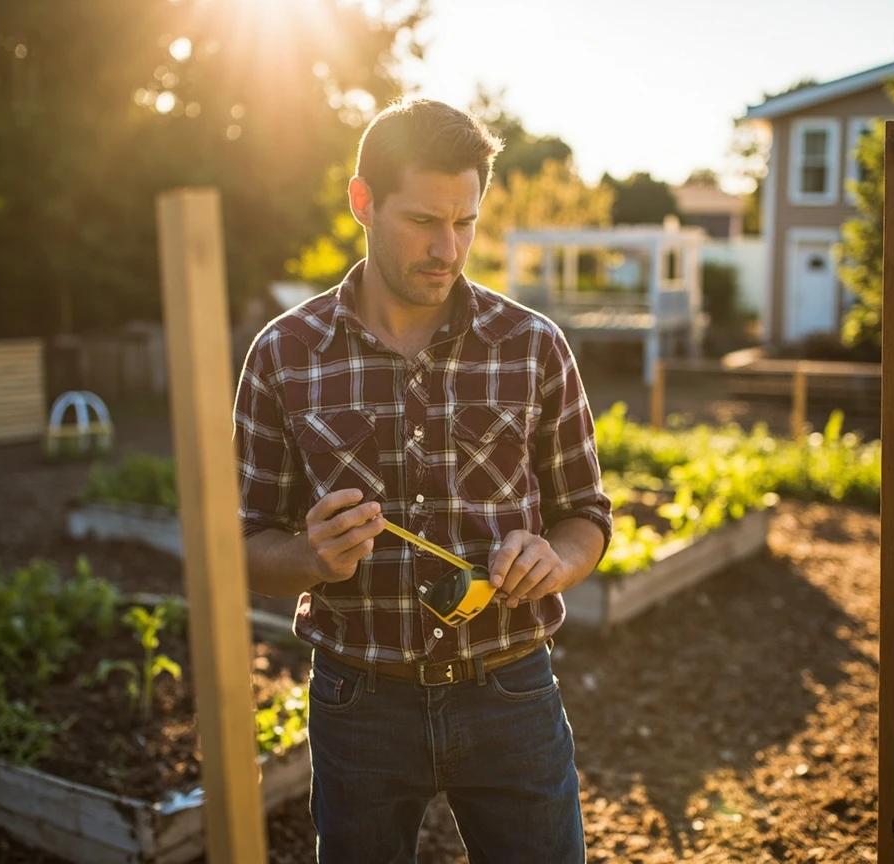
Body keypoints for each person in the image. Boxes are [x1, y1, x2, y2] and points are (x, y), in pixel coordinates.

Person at [233, 98, 611, 863]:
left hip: (511, 691)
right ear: (362, 201)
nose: (448, 248)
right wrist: (309, 558)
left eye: (465, 221)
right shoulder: (283, 355)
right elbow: (240, 549)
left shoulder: (533, 346)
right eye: (423, 221)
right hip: (359, 704)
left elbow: (585, 515)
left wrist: (557, 559)